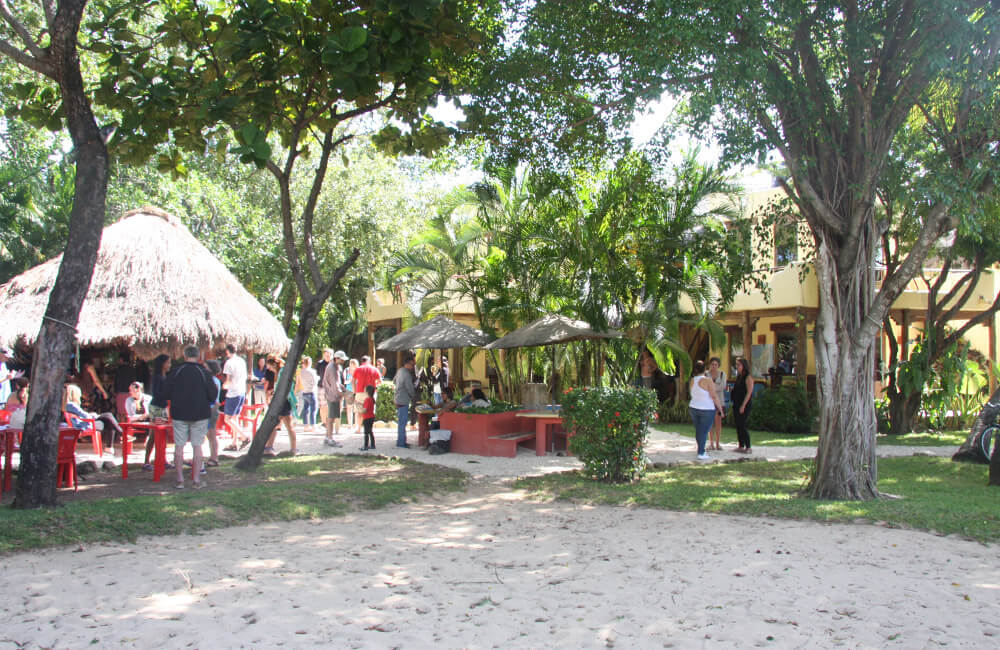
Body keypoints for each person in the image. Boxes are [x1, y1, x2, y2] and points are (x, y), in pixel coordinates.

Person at [163, 345, 217, 489]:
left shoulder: (176, 371)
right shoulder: (204, 372)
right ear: (198, 356)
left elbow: (166, 391)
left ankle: (180, 479)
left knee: (179, 446)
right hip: (200, 413)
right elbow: (213, 394)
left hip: (179, 413)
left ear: (184, 355)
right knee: (197, 446)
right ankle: (196, 479)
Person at [64, 383, 124, 454]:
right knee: (108, 416)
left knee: (109, 420)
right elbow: (86, 417)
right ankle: (122, 435)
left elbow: (80, 416)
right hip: (84, 426)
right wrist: (94, 415)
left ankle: (113, 444)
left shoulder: (67, 405)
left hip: (82, 424)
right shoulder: (72, 405)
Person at [689, 360, 724, 461]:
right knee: (704, 431)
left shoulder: (692, 380)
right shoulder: (708, 380)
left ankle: (700, 450)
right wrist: (720, 410)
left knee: (699, 430)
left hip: (694, 407)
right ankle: (701, 452)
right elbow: (714, 396)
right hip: (706, 408)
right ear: (705, 369)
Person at [143, 354, 172, 470]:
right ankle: (147, 461)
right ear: (163, 364)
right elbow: (156, 393)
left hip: (163, 406)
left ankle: (161, 458)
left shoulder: (164, 376)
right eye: (168, 362)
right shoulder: (157, 377)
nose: (169, 365)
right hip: (157, 407)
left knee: (162, 435)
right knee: (154, 435)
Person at [264, 357, 296, 455]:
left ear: (273, 364)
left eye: (269, 366)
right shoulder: (279, 372)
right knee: (277, 425)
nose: (268, 369)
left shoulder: (282, 371)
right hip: (280, 401)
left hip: (283, 402)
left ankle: (292, 449)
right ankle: (269, 447)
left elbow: (286, 387)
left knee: (281, 425)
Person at [221, 344, 250, 450]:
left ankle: (244, 436)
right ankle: (234, 443)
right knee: (235, 418)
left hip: (233, 393)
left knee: (227, 419)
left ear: (227, 351)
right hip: (242, 391)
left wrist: (224, 386)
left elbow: (228, 379)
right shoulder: (241, 361)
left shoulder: (229, 363)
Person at [731, 357, 755, 454]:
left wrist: (743, 405)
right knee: (738, 425)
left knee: (742, 424)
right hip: (736, 403)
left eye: (739, 365)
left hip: (744, 404)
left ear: (744, 366)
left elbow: (749, 392)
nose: (737, 367)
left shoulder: (748, 377)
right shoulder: (739, 376)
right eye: (736, 365)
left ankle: (748, 446)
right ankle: (741, 445)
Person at [322, 351, 346, 446]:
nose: (343, 361)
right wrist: (342, 394)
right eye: (342, 359)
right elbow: (334, 385)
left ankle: (327, 437)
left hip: (332, 395)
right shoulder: (332, 368)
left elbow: (337, 382)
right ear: (337, 358)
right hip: (332, 396)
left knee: (331, 417)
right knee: (331, 418)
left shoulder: (335, 366)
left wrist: (343, 388)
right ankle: (330, 438)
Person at [393, 355, 417, 448]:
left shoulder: (399, 371)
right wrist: (413, 395)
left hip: (398, 397)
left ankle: (401, 440)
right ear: (408, 364)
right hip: (403, 399)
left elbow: (394, 381)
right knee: (402, 422)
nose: (413, 367)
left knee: (401, 421)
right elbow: (409, 387)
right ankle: (401, 442)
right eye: (412, 364)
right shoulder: (406, 374)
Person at [203, 359, 222, 468]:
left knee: (212, 434)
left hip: (211, 408)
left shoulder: (212, 381)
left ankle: (214, 458)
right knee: (211, 435)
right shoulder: (215, 380)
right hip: (212, 408)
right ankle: (213, 457)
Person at [352, 355, 381, 423]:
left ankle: (358, 428)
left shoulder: (358, 369)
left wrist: (354, 392)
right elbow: (380, 381)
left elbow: (353, 381)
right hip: (371, 393)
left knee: (359, 411)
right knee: (370, 411)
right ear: (369, 361)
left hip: (360, 392)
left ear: (362, 361)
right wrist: (375, 387)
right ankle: (369, 428)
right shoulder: (374, 369)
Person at [707, 357, 726, 451]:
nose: (714, 366)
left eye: (716, 364)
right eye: (712, 364)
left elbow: (723, 386)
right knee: (710, 423)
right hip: (709, 401)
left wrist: (712, 387)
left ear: (718, 365)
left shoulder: (722, 374)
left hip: (720, 401)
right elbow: (705, 386)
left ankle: (718, 443)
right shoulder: (706, 374)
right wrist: (713, 387)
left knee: (718, 422)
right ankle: (711, 443)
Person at [113, 351, 138, 419]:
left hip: (121, 393)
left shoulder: (119, 369)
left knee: (121, 414)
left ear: (121, 359)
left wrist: (115, 392)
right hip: (130, 394)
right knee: (129, 414)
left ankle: (122, 428)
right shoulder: (132, 369)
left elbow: (116, 382)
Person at [298, 356, 319, 432]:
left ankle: (306, 426)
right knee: (313, 409)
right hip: (311, 391)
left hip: (305, 391)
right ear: (310, 363)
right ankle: (313, 425)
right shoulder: (312, 371)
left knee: (305, 409)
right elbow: (315, 381)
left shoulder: (301, 371)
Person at [316, 349, 331, 427]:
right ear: (323, 355)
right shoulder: (320, 364)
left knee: (329, 405)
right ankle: (323, 422)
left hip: (331, 388)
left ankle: (329, 421)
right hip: (321, 386)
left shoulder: (333, 364)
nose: (328, 356)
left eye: (329, 355)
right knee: (322, 405)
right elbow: (317, 374)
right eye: (326, 355)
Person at [359, 384, 376, 451]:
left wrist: (361, 410)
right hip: (371, 417)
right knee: (370, 431)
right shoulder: (372, 399)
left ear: (367, 392)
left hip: (367, 418)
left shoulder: (367, 399)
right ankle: (372, 444)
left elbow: (365, 410)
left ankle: (365, 446)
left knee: (366, 432)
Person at [343, 358, 358, 433]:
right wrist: (349, 380)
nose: (352, 366)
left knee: (356, 409)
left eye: (353, 364)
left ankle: (356, 424)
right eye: (350, 364)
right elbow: (344, 380)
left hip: (357, 391)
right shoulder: (346, 370)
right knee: (349, 408)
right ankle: (350, 424)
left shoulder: (358, 371)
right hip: (349, 390)